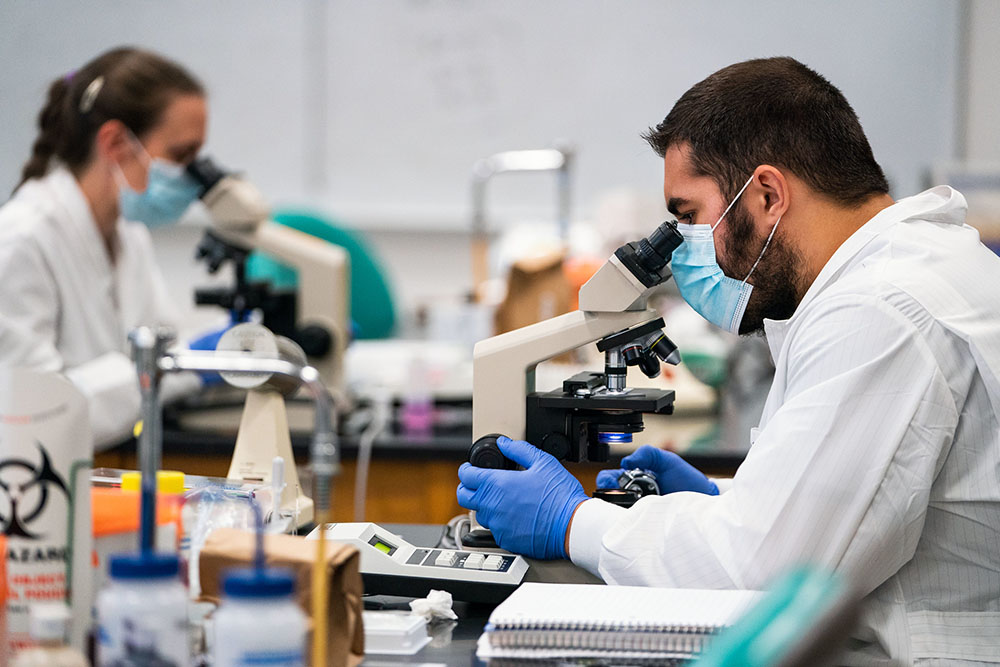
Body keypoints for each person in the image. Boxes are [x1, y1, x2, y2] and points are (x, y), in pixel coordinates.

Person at [458, 57, 1000, 664]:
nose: (683, 245)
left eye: (688, 217)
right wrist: (726, 502)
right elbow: (840, 512)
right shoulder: (906, 270)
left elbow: (761, 575)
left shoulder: (881, 309)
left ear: (767, 194)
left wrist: (571, 520)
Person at [0, 47, 217, 450]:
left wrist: (224, 352)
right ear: (116, 142)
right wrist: (182, 365)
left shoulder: (128, 234)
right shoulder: (21, 241)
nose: (192, 176)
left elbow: (162, 342)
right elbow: (29, 414)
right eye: (181, 155)